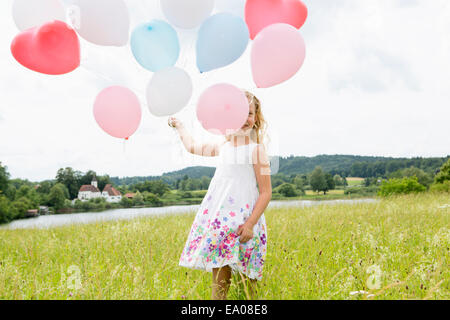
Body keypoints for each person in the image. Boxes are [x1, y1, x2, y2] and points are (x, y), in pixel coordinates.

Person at [169, 90, 272, 300]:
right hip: (221, 223)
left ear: (256, 117)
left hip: (246, 223)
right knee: (220, 286)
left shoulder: (256, 150)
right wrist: (180, 126)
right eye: (240, 114)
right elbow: (191, 147)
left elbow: (265, 192)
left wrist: (251, 224)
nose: (246, 119)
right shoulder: (223, 146)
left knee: (248, 288)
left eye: (250, 113)